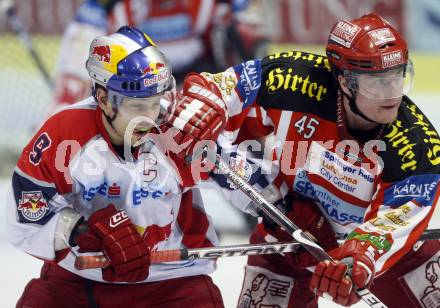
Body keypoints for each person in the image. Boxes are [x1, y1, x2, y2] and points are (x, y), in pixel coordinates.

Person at [169, 13, 440, 307]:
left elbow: (395, 220)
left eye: (398, 77)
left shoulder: (417, 146)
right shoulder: (294, 81)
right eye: (377, 83)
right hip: (287, 238)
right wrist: (203, 107)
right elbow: (223, 86)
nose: (392, 95)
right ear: (344, 82)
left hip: (391, 253)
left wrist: (357, 259)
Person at [6, 25, 233, 307]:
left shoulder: (178, 129)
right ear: (103, 99)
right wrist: (79, 230)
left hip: (174, 281)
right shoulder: (64, 133)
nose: (150, 118)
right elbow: (25, 216)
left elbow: (244, 175)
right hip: (80, 282)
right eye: (137, 107)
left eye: (156, 102)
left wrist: (282, 203)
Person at [52, 0, 255, 109]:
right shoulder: (107, 5)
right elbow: (80, 47)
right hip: (130, 86)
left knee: (245, 36)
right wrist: (66, 105)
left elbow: (251, 38)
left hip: (195, 79)